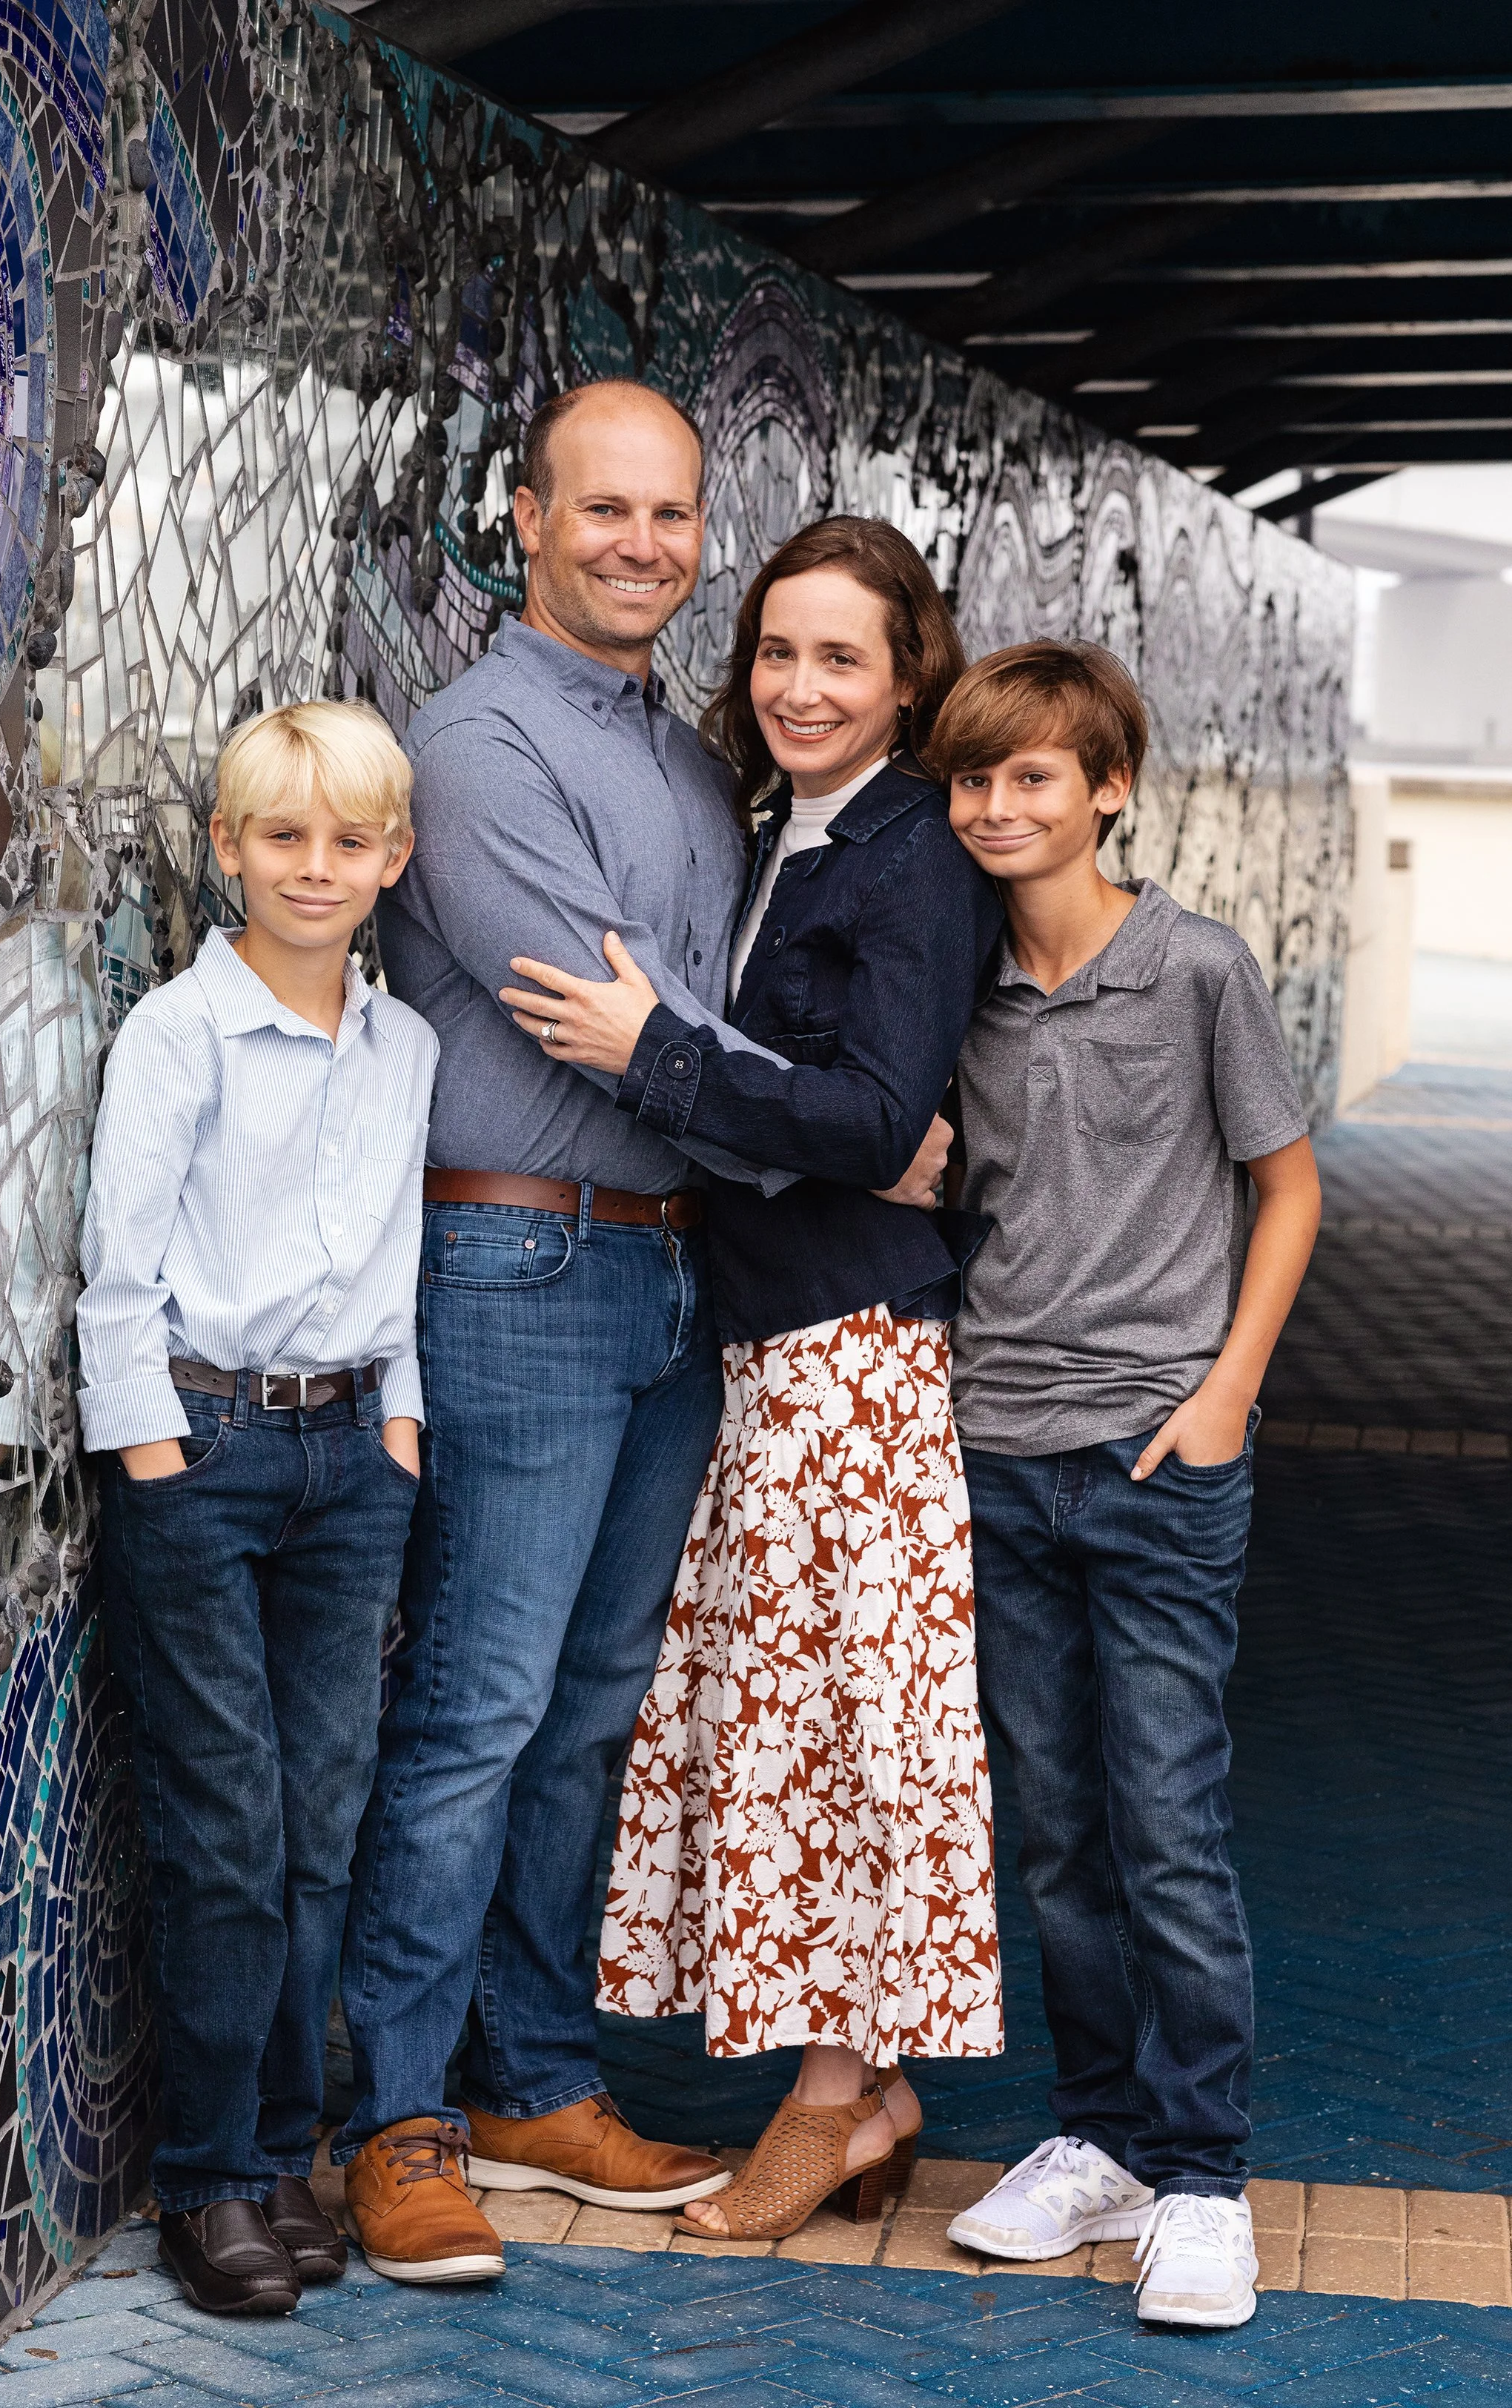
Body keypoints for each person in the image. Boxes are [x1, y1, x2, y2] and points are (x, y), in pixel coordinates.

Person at [333, 383, 946, 2270]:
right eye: (605, 510)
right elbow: (595, 1016)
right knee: (477, 1709)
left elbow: (676, 1014)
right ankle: (402, 2116)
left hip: (677, 1268)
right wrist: (855, 1123)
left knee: (593, 1710)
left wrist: (806, 1101)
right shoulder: (482, 744)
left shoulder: (693, 759)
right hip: (522, 1264)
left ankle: (533, 2072)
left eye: (674, 517)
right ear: (525, 518)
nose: (642, 546)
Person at [500, 517, 1007, 2243]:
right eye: (777, 653)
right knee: (784, 1736)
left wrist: (654, 1054)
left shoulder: (915, 846)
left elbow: (875, 1116)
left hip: (857, 1358)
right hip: (766, 1342)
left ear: (906, 675)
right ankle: (861, 2090)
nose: (799, 686)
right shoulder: (775, 831)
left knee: (863, 1739)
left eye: (840, 658)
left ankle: (832, 2100)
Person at [926, 642, 1322, 2329]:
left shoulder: (1199, 970)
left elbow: (1288, 1189)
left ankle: (1207, 2174)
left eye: (1035, 776)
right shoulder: (956, 987)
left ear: (1109, 790)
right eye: (973, 779)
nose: (1000, 806)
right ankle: (1101, 2139)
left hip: (1161, 1461)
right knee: (1060, 1826)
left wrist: (1229, 1393)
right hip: (996, 1452)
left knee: (1167, 1818)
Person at [77, 702, 444, 2315]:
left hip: (353, 1463)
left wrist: (405, 1422)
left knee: (319, 1832)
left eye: (348, 840)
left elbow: (394, 1263)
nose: (316, 866)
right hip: (205, 1458)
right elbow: (117, 1277)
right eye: (281, 836)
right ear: (226, 846)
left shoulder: (408, 1045)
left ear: (394, 858)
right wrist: (157, 1457)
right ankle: (209, 2180)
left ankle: (286, 2159)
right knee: (228, 1831)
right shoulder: (180, 1033)